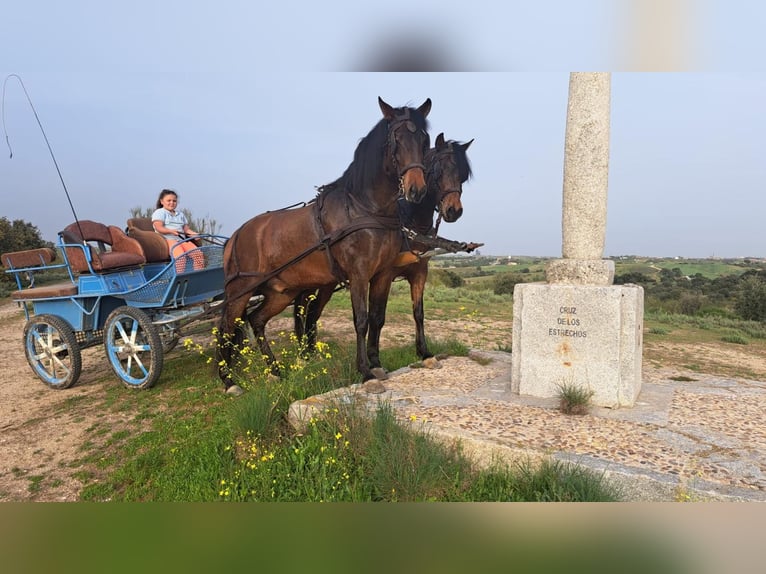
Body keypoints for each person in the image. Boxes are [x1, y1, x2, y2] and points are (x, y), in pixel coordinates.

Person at [151, 189, 204, 272]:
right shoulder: (160, 212)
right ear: (162, 201)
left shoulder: (180, 214)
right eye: (169, 200)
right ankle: (179, 277)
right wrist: (171, 231)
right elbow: (159, 227)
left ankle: (198, 275)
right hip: (167, 240)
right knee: (180, 257)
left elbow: (186, 229)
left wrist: (194, 234)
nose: (172, 203)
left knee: (198, 254)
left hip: (182, 240)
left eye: (174, 201)